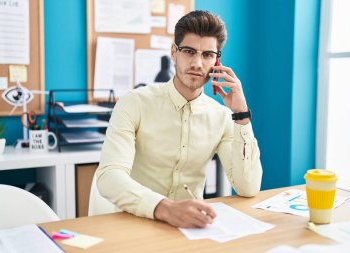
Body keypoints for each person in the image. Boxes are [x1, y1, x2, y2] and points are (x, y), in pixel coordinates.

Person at [96, 10, 262, 228]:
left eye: (207, 55)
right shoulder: (134, 103)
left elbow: (247, 187)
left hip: (192, 228)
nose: (197, 63)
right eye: (189, 51)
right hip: (136, 223)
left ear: (217, 60)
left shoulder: (221, 116)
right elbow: (109, 177)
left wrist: (241, 115)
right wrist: (165, 208)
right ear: (174, 52)